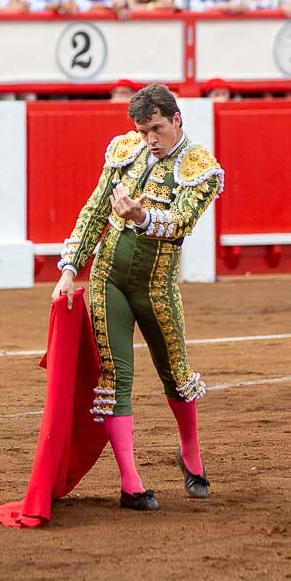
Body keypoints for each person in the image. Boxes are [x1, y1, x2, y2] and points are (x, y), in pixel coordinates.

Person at [50, 84, 223, 510]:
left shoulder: (201, 167)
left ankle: (190, 453)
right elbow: (94, 210)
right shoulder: (125, 151)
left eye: (157, 128)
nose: (150, 138)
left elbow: (181, 222)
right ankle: (130, 482)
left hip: (156, 285)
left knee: (177, 374)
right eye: (143, 130)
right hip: (108, 278)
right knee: (115, 379)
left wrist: (140, 215)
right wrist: (71, 269)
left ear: (176, 119)